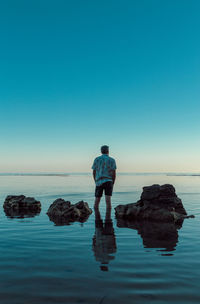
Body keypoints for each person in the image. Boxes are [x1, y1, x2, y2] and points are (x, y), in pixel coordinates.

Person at [92, 145, 117, 210]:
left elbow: (94, 172)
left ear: (101, 151)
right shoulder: (112, 160)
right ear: (108, 151)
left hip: (99, 181)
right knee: (108, 202)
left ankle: (97, 218)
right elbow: (114, 173)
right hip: (109, 181)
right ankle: (108, 219)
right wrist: (113, 182)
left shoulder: (97, 159)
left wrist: (95, 181)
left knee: (96, 202)